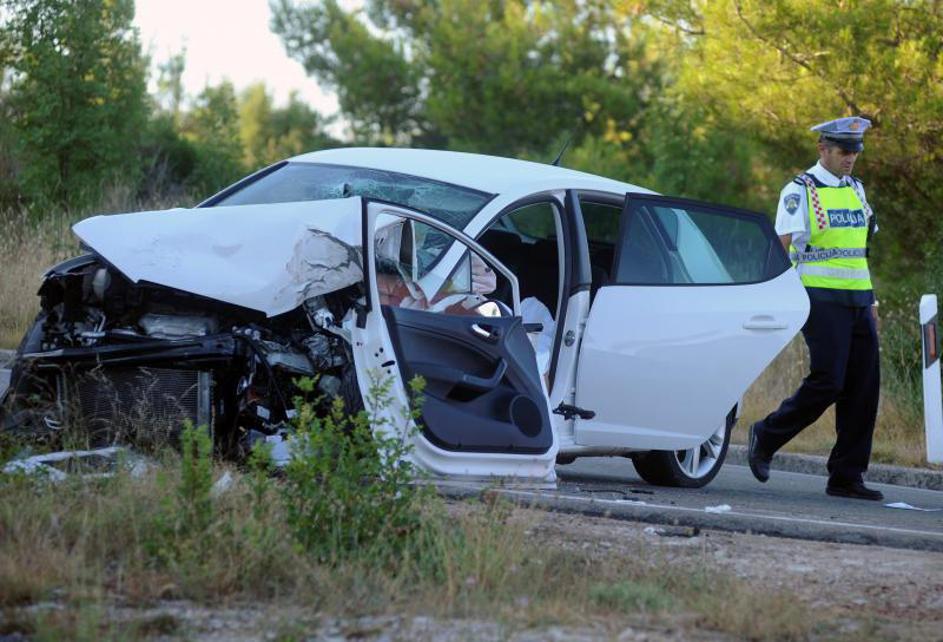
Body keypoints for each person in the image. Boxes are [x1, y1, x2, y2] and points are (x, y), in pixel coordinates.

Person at [748, 116, 884, 501]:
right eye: (843, 151)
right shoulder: (799, 190)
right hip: (820, 298)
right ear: (822, 149)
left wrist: (872, 300)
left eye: (855, 152)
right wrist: (775, 297)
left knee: (863, 389)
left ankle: (846, 477)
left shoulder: (856, 189)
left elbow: (859, 252)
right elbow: (781, 246)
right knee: (829, 381)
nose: (850, 158)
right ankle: (766, 435)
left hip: (858, 299)